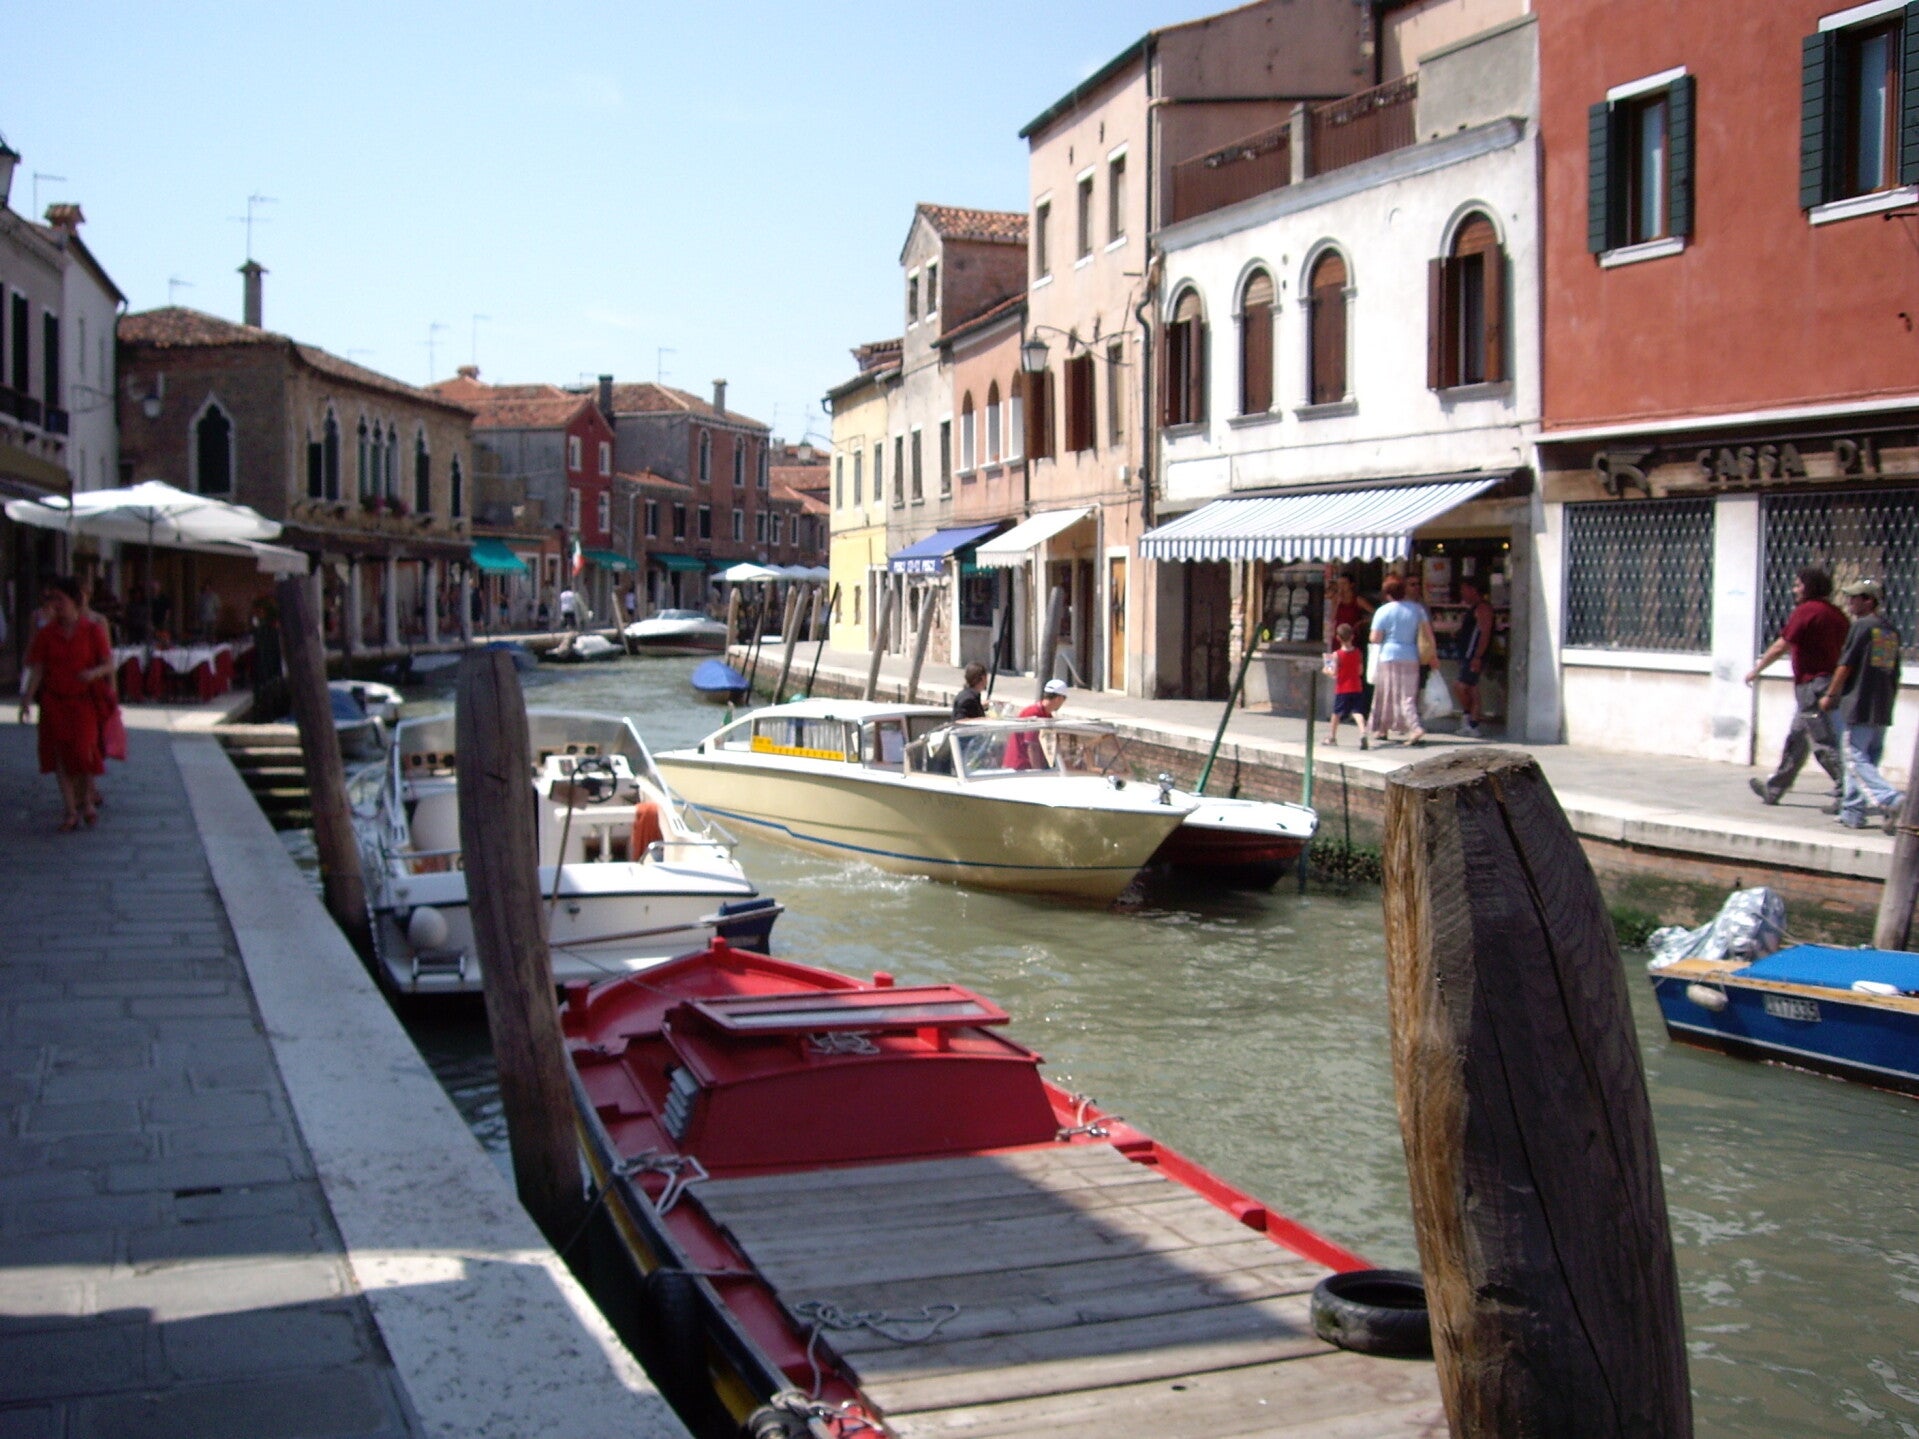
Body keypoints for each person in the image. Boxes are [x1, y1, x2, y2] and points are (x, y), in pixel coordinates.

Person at [1747, 566, 1848, 806]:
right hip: (1826, 683)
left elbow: (1782, 645)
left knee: (1822, 741)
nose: (1795, 590)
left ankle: (1849, 790)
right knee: (1797, 739)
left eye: (1798, 585)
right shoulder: (1838, 615)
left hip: (1812, 686)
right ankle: (1774, 789)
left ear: (1809, 587)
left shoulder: (1807, 612)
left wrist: (1757, 669)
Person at [19, 577, 113, 831]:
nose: (55, 604)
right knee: (60, 755)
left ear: (74, 600)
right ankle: (71, 810)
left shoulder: (91, 630)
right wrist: (27, 700)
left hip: (82, 702)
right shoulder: (47, 634)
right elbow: (38, 668)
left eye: (60, 599)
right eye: (52, 599)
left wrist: (93, 674)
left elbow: (108, 663)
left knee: (83, 751)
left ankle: (86, 800)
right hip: (54, 701)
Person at [1819, 579, 1904, 832]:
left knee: (1854, 758)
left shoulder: (1862, 626)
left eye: (1854, 598)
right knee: (1867, 759)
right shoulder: (1889, 630)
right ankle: (1852, 812)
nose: (1849, 602)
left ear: (1869, 601)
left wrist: (1831, 694)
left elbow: (1846, 664)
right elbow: (1893, 671)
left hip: (1859, 703)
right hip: (1881, 705)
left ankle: (1892, 799)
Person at [1368, 575, 1426, 745]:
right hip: (1411, 655)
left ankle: (1401, 728)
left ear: (1387, 594)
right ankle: (1390, 728)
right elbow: (1427, 633)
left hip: (1388, 655)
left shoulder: (1382, 611)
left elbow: (1375, 638)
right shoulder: (1417, 609)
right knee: (1408, 695)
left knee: (1385, 693)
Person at [1453, 577, 1495, 737]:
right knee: (1471, 687)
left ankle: (1470, 718)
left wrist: (1477, 656)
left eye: (1464, 589)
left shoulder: (1483, 608)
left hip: (1473, 655)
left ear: (1473, 590)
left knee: (1461, 686)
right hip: (1467, 654)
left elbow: (1485, 633)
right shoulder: (1473, 608)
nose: (1462, 593)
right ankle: (1470, 722)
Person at [1005, 678, 1068, 769]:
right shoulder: (1033, 713)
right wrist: (1037, 771)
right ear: (1059, 698)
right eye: (1064, 699)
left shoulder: (1047, 716)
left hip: (1028, 767)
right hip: (1020, 767)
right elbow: (1032, 747)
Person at [1325, 623, 1368, 749]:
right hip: (1356, 686)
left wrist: (1326, 670)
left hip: (1342, 688)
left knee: (1336, 713)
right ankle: (1363, 732)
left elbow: (1333, 672)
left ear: (1338, 638)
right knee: (1357, 712)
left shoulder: (1336, 654)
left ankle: (1332, 737)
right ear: (1352, 637)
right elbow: (1360, 671)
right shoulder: (1358, 652)